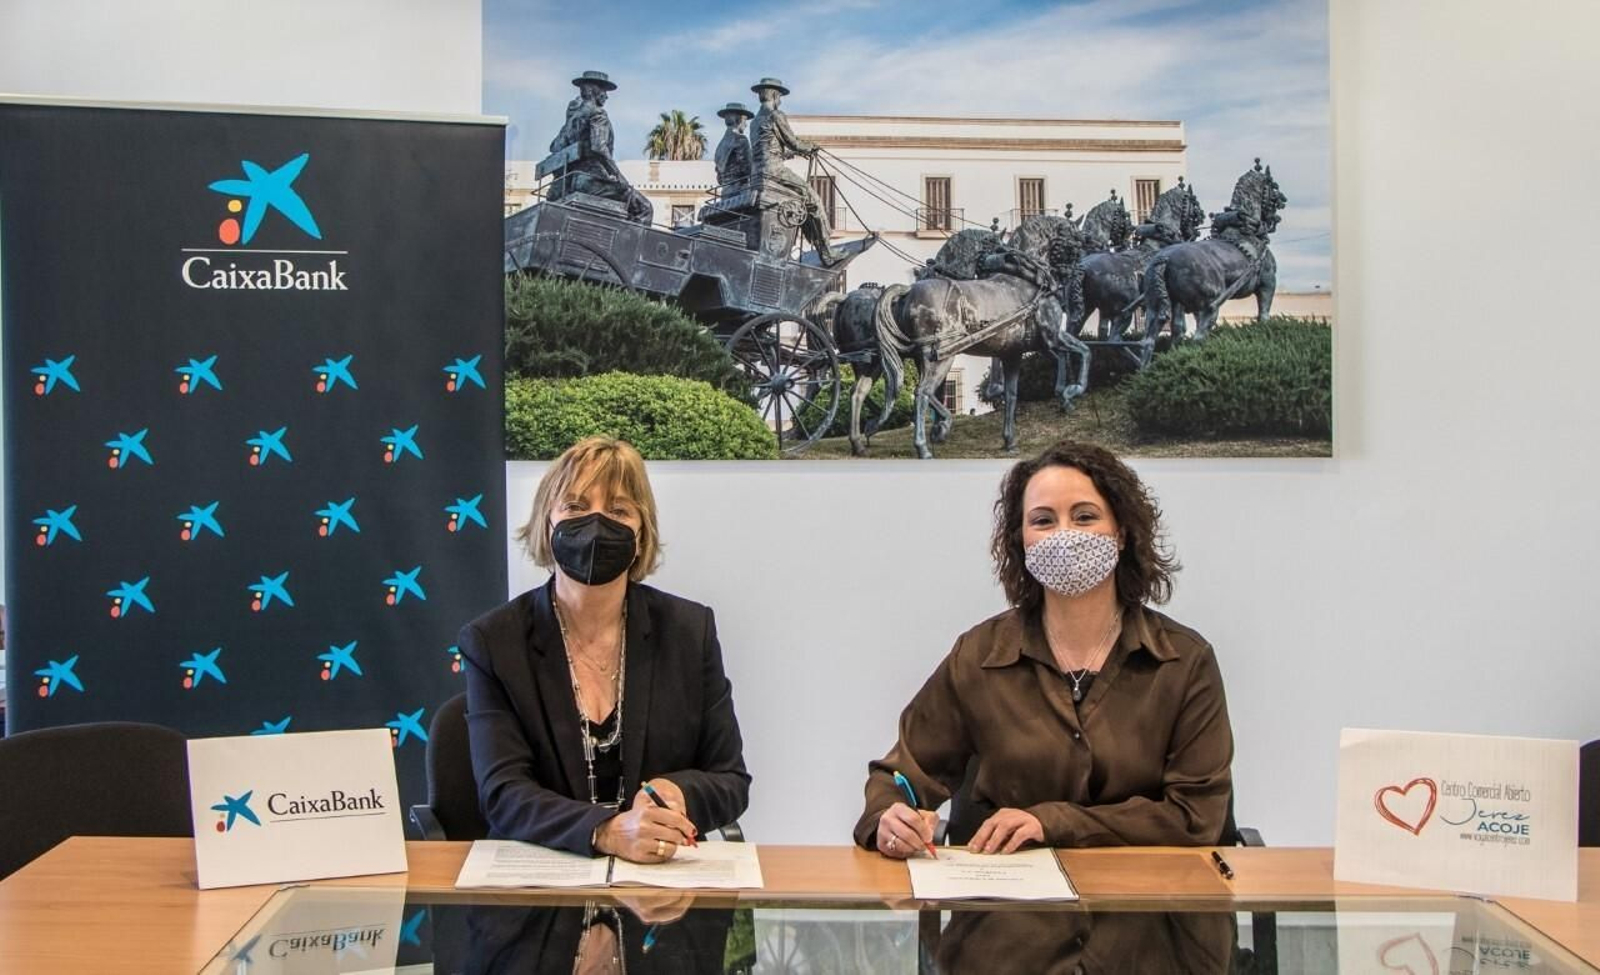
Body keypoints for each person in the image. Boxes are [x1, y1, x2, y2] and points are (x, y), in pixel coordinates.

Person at [854, 440, 1233, 856]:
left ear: (1121, 533)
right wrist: (890, 817)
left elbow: (1196, 818)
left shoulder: (1183, 661)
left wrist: (1050, 822)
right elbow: (902, 773)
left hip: (1149, 911)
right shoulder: (981, 655)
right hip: (1011, 911)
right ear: (1021, 540)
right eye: (1043, 521)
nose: (1064, 536)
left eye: (1085, 517)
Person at [459, 437, 749, 861]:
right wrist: (606, 832)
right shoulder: (495, 641)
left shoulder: (690, 630)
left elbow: (730, 778)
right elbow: (504, 793)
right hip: (542, 887)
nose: (596, 524)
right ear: (546, 523)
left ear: (641, 532)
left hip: (663, 889)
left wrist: (679, 792)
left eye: (617, 510)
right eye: (576, 507)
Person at [748, 77, 840, 264]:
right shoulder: (776, 115)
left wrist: (789, 154)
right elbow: (793, 142)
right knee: (813, 198)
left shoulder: (754, 122)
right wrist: (810, 148)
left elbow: (767, 147)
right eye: (779, 95)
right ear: (774, 95)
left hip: (758, 172)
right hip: (774, 171)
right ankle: (827, 252)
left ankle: (814, 240)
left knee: (803, 199)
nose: (780, 100)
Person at [712, 102, 753, 191]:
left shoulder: (720, 145)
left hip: (725, 191)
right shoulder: (741, 140)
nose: (746, 125)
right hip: (740, 190)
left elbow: (719, 178)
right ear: (738, 120)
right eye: (745, 120)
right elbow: (747, 168)